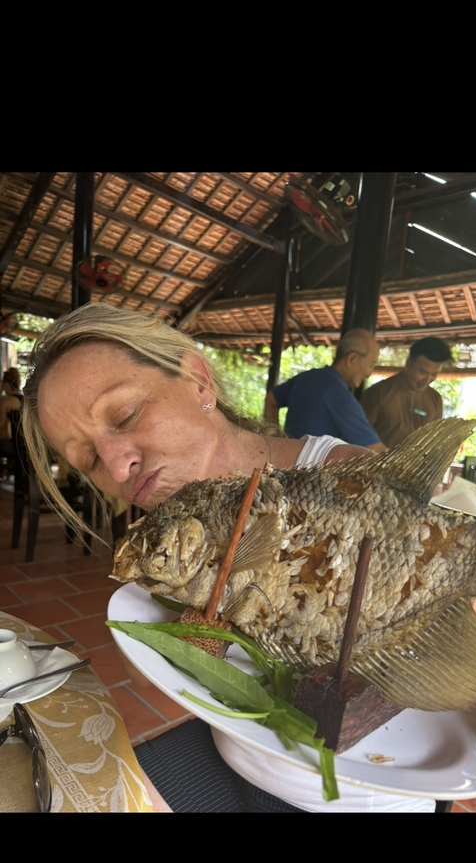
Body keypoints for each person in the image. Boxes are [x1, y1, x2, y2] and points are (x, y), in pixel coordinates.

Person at [20, 303, 446, 813]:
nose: (115, 467)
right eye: (88, 458)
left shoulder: (356, 489)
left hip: (358, 799)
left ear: (199, 381)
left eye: (125, 415)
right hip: (229, 758)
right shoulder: (173, 531)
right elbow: (155, 672)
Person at [264, 328, 387, 452]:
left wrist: (275, 444)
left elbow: (271, 399)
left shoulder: (306, 378)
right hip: (312, 464)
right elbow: (376, 449)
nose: (369, 373)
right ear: (352, 359)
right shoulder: (341, 397)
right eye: (371, 365)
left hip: (285, 458)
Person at [361, 337, 452, 449]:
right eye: (423, 373)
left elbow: (433, 441)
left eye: (434, 375)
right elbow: (360, 436)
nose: (427, 380)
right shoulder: (378, 393)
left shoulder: (435, 399)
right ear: (408, 364)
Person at [0, 366, 23, 467]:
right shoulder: (25, 399)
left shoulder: (6, 401)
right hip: (27, 446)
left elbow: (0, 425)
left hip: (14, 446)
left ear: (7, 384)